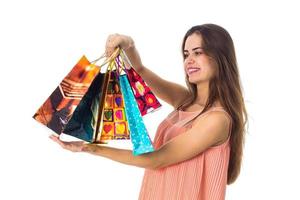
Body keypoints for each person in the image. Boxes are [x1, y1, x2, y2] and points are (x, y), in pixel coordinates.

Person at [50, 23, 248, 200]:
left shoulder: (217, 119)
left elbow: (156, 159)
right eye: (186, 54)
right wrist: (129, 44)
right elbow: (140, 71)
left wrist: (91, 148)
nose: (189, 60)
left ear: (220, 57)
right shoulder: (185, 101)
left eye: (198, 52)